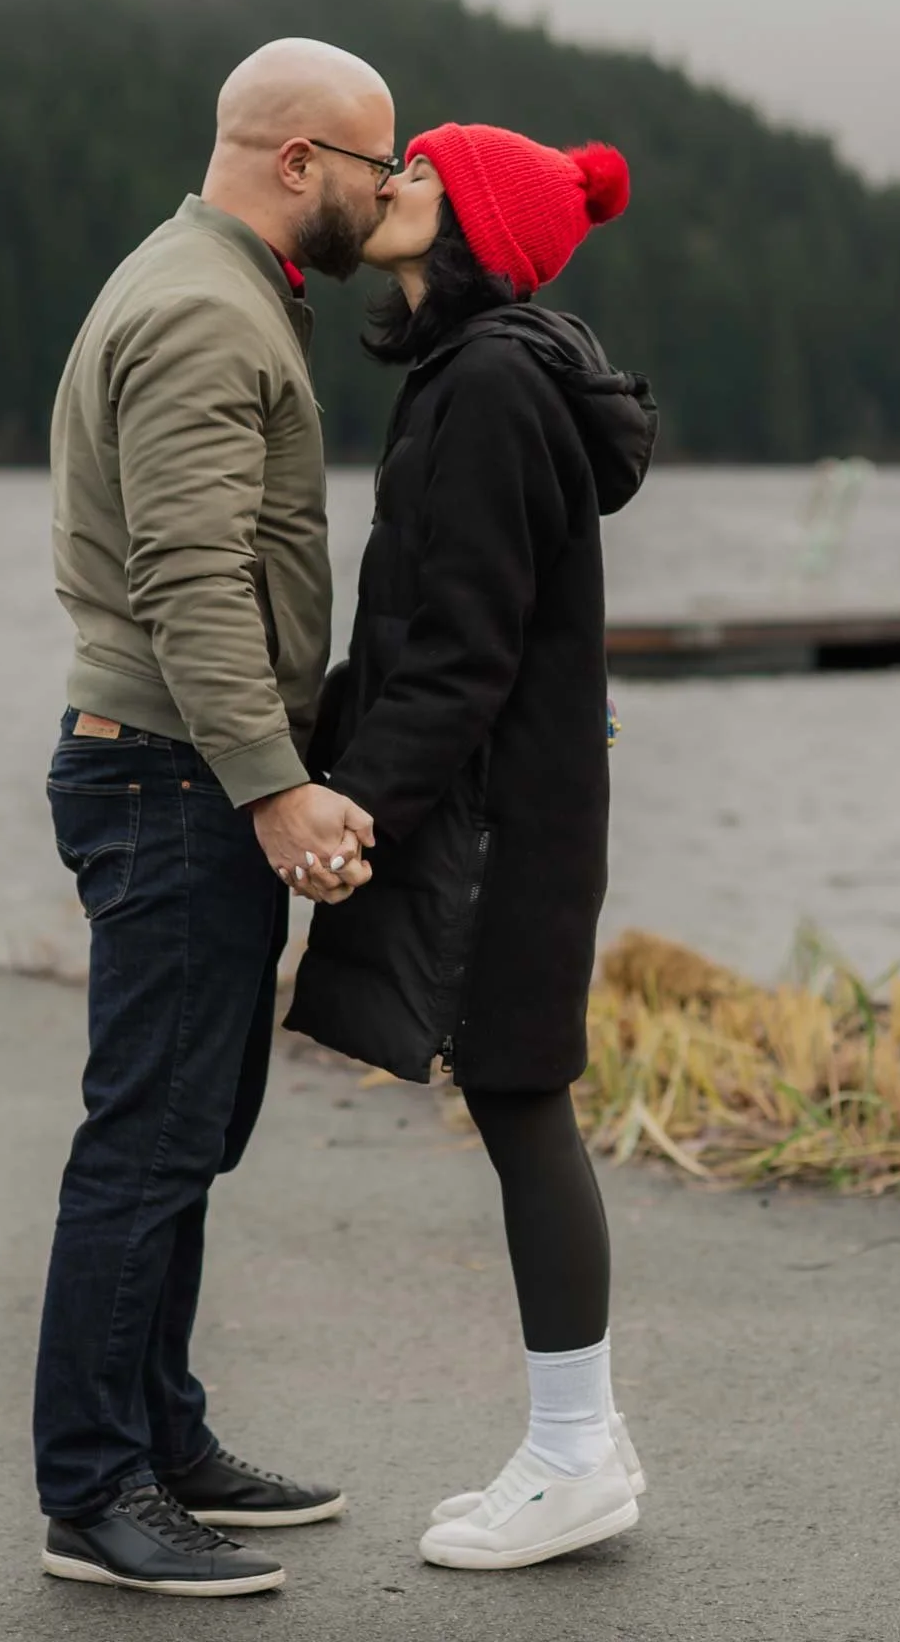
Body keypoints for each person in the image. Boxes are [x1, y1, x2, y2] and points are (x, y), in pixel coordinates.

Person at [37, 38, 397, 1599]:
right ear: (299, 160)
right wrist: (274, 783)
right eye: (376, 166)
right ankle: (95, 1495)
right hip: (177, 774)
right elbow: (189, 581)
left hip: (176, 766)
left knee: (188, 1131)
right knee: (148, 1142)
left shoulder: (211, 278)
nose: (391, 196)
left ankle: (164, 1435)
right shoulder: (200, 309)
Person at [286, 123, 658, 1572]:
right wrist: (312, 753)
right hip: (514, 798)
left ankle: (572, 1455)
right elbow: (416, 637)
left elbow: (465, 652)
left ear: (479, 225)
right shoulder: (471, 374)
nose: (389, 181)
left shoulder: (495, 382)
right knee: (519, 1092)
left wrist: (343, 808)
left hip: (507, 811)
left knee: (520, 1092)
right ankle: (590, 1443)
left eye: (420, 170)